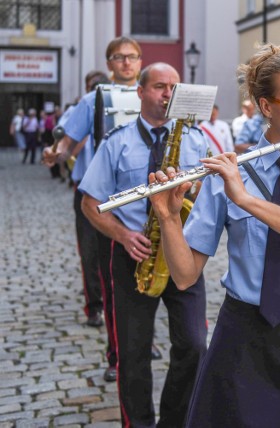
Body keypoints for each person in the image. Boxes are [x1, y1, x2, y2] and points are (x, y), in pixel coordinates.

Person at [149, 44, 280, 427]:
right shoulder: (225, 174)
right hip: (242, 337)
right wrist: (169, 218)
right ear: (265, 106)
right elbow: (184, 275)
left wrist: (244, 199)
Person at [79, 62, 209, 426]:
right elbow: (89, 203)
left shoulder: (197, 140)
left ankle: (174, 420)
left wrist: (196, 193)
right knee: (133, 353)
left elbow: (211, 200)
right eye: (159, 87)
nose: (167, 94)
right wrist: (123, 235)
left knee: (195, 346)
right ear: (140, 92)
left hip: (183, 255)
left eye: (173, 88)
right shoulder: (116, 142)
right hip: (134, 254)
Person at [43, 37, 156, 383]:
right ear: (109, 64)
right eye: (119, 58)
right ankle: (117, 353)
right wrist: (56, 152)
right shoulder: (95, 98)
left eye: (132, 57)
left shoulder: (151, 97)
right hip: (102, 200)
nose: (126, 63)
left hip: (145, 196)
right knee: (108, 276)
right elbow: (68, 139)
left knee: (151, 270)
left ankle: (143, 341)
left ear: (140, 61)